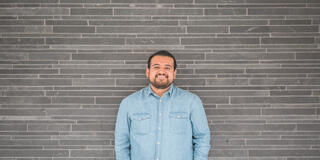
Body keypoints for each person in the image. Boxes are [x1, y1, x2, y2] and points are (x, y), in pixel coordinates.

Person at [114, 50, 211, 160]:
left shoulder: (192, 101)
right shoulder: (128, 103)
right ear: (147, 72)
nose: (161, 71)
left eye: (167, 68)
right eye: (156, 67)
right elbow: (121, 143)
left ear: (174, 73)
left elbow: (202, 138)